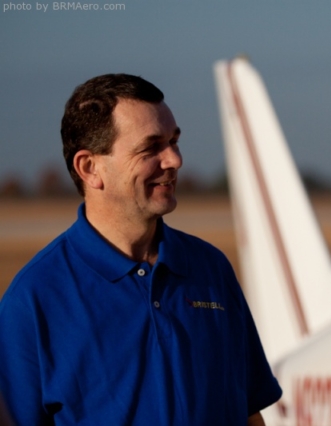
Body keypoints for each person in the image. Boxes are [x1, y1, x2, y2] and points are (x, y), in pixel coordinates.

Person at [0, 74, 281, 425]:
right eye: (151, 148)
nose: (174, 160)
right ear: (90, 168)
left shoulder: (210, 268)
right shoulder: (34, 300)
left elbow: (249, 411)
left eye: (174, 141)